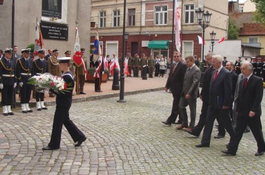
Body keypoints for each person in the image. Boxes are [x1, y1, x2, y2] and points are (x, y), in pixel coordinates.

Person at [42, 57, 86, 151]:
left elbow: (64, 92)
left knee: (57, 123)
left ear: (66, 65)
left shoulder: (67, 77)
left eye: (61, 64)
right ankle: (79, 137)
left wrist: (52, 89)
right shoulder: (66, 75)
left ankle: (54, 144)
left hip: (63, 103)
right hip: (64, 102)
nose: (59, 65)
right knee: (66, 121)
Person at [222, 61, 265, 156]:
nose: (242, 71)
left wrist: (253, 110)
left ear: (249, 70)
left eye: (244, 69)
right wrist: (237, 109)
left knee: (256, 131)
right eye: (241, 69)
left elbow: (258, 97)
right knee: (238, 131)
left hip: (252, 112)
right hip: (242, 111)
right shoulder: (242, 81)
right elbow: (240, 96)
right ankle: (232, 150)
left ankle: (261, 148)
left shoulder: (257, 80)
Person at [196, 55, 234, 148]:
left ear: (219, 62)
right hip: (212, 103)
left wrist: (226, 103)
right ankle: (205, 141)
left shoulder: (226, 73)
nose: (212, 63)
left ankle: (234, 138)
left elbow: (228, 90)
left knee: (226, 123)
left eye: (214, 62)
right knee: (208, 122)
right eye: (212, 61)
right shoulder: (214, 72)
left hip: (221, 104)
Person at [187, 53, 214, 137]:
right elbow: (205, 83)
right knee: (203, 114)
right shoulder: (209, 68)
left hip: (211, 96)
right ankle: (197, 131)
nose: (207, 61)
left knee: (221, 118)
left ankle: (227, 131)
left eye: (209, 59)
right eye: (207, 59)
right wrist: (202, 93)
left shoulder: (214, 70)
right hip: (206, 95)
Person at [162, 52, 187, 126]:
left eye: (177, 56)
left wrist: (183, 90)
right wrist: (167, 86)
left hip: (179, 89)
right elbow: (170, 77)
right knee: (178, 105)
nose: (176, 57)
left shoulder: (182, 66)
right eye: (175, 56)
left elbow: (183, 79)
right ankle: (181, 119)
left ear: (180, 57)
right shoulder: (173, 65)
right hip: (174, 89)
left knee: (176, 105)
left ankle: (170, 120)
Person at [177, 56, 201, 131]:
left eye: (188, 62)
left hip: (191, 93)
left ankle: (192, 126)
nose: (186, 63)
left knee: (192, 110)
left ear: (192, 61)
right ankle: (184, 122)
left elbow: (195, 82)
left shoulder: (196, 70)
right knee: (181, 106)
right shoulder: (188, 69)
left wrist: (189, 93)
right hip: (184, 92)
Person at [216, 61, 238, 138]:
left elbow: (234, 88)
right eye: (226, 65)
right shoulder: (224, 73)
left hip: (229, 97)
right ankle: (221, 130)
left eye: (228, 65)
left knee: (225, 116)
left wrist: (231, 98)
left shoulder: (234, 75)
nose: (226, 66)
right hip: (222, 98)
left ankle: (231, 132)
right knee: (221, 116)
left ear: (232, 66)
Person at [16, 48, 33, 113]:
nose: (28, 55)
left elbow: (32, 70)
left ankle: (27, 105)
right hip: (23, 77)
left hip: (29, 77)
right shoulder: (20, 61)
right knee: (23, 92)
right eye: (26, 53)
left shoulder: (30, 60)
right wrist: (20, 80)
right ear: (23, 54)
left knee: (28, 92)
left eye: (28, 53)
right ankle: (23, 105)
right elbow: (18, 70)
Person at [0, 48, 16, 115]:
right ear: (5, 54)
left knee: (10, 94)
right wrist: (0, 82)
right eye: (9, 53)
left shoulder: (12, 61)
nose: (10, 55)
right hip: (5, 80)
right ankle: (5, 108)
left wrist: (15, 81)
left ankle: (9, 108)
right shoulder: (2, 62)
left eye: (11, 54)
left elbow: (13, 72)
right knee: (5, 94)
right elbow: (0, 72)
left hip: (11, 79)